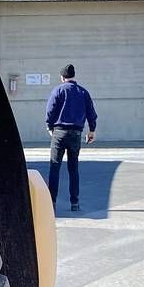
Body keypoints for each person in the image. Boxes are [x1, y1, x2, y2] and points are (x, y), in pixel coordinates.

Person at [45, 63, 97, 212]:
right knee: (73, 169)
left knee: (55, 167)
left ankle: (52, 203)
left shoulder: (58, 90)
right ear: (73, 77)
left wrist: (50, 127)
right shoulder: (83, 92)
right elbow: (91, 113)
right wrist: (91, 130)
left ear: (62, 77)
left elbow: (50, 111)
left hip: (59, 133)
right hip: (76, 133)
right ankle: (75, 203)